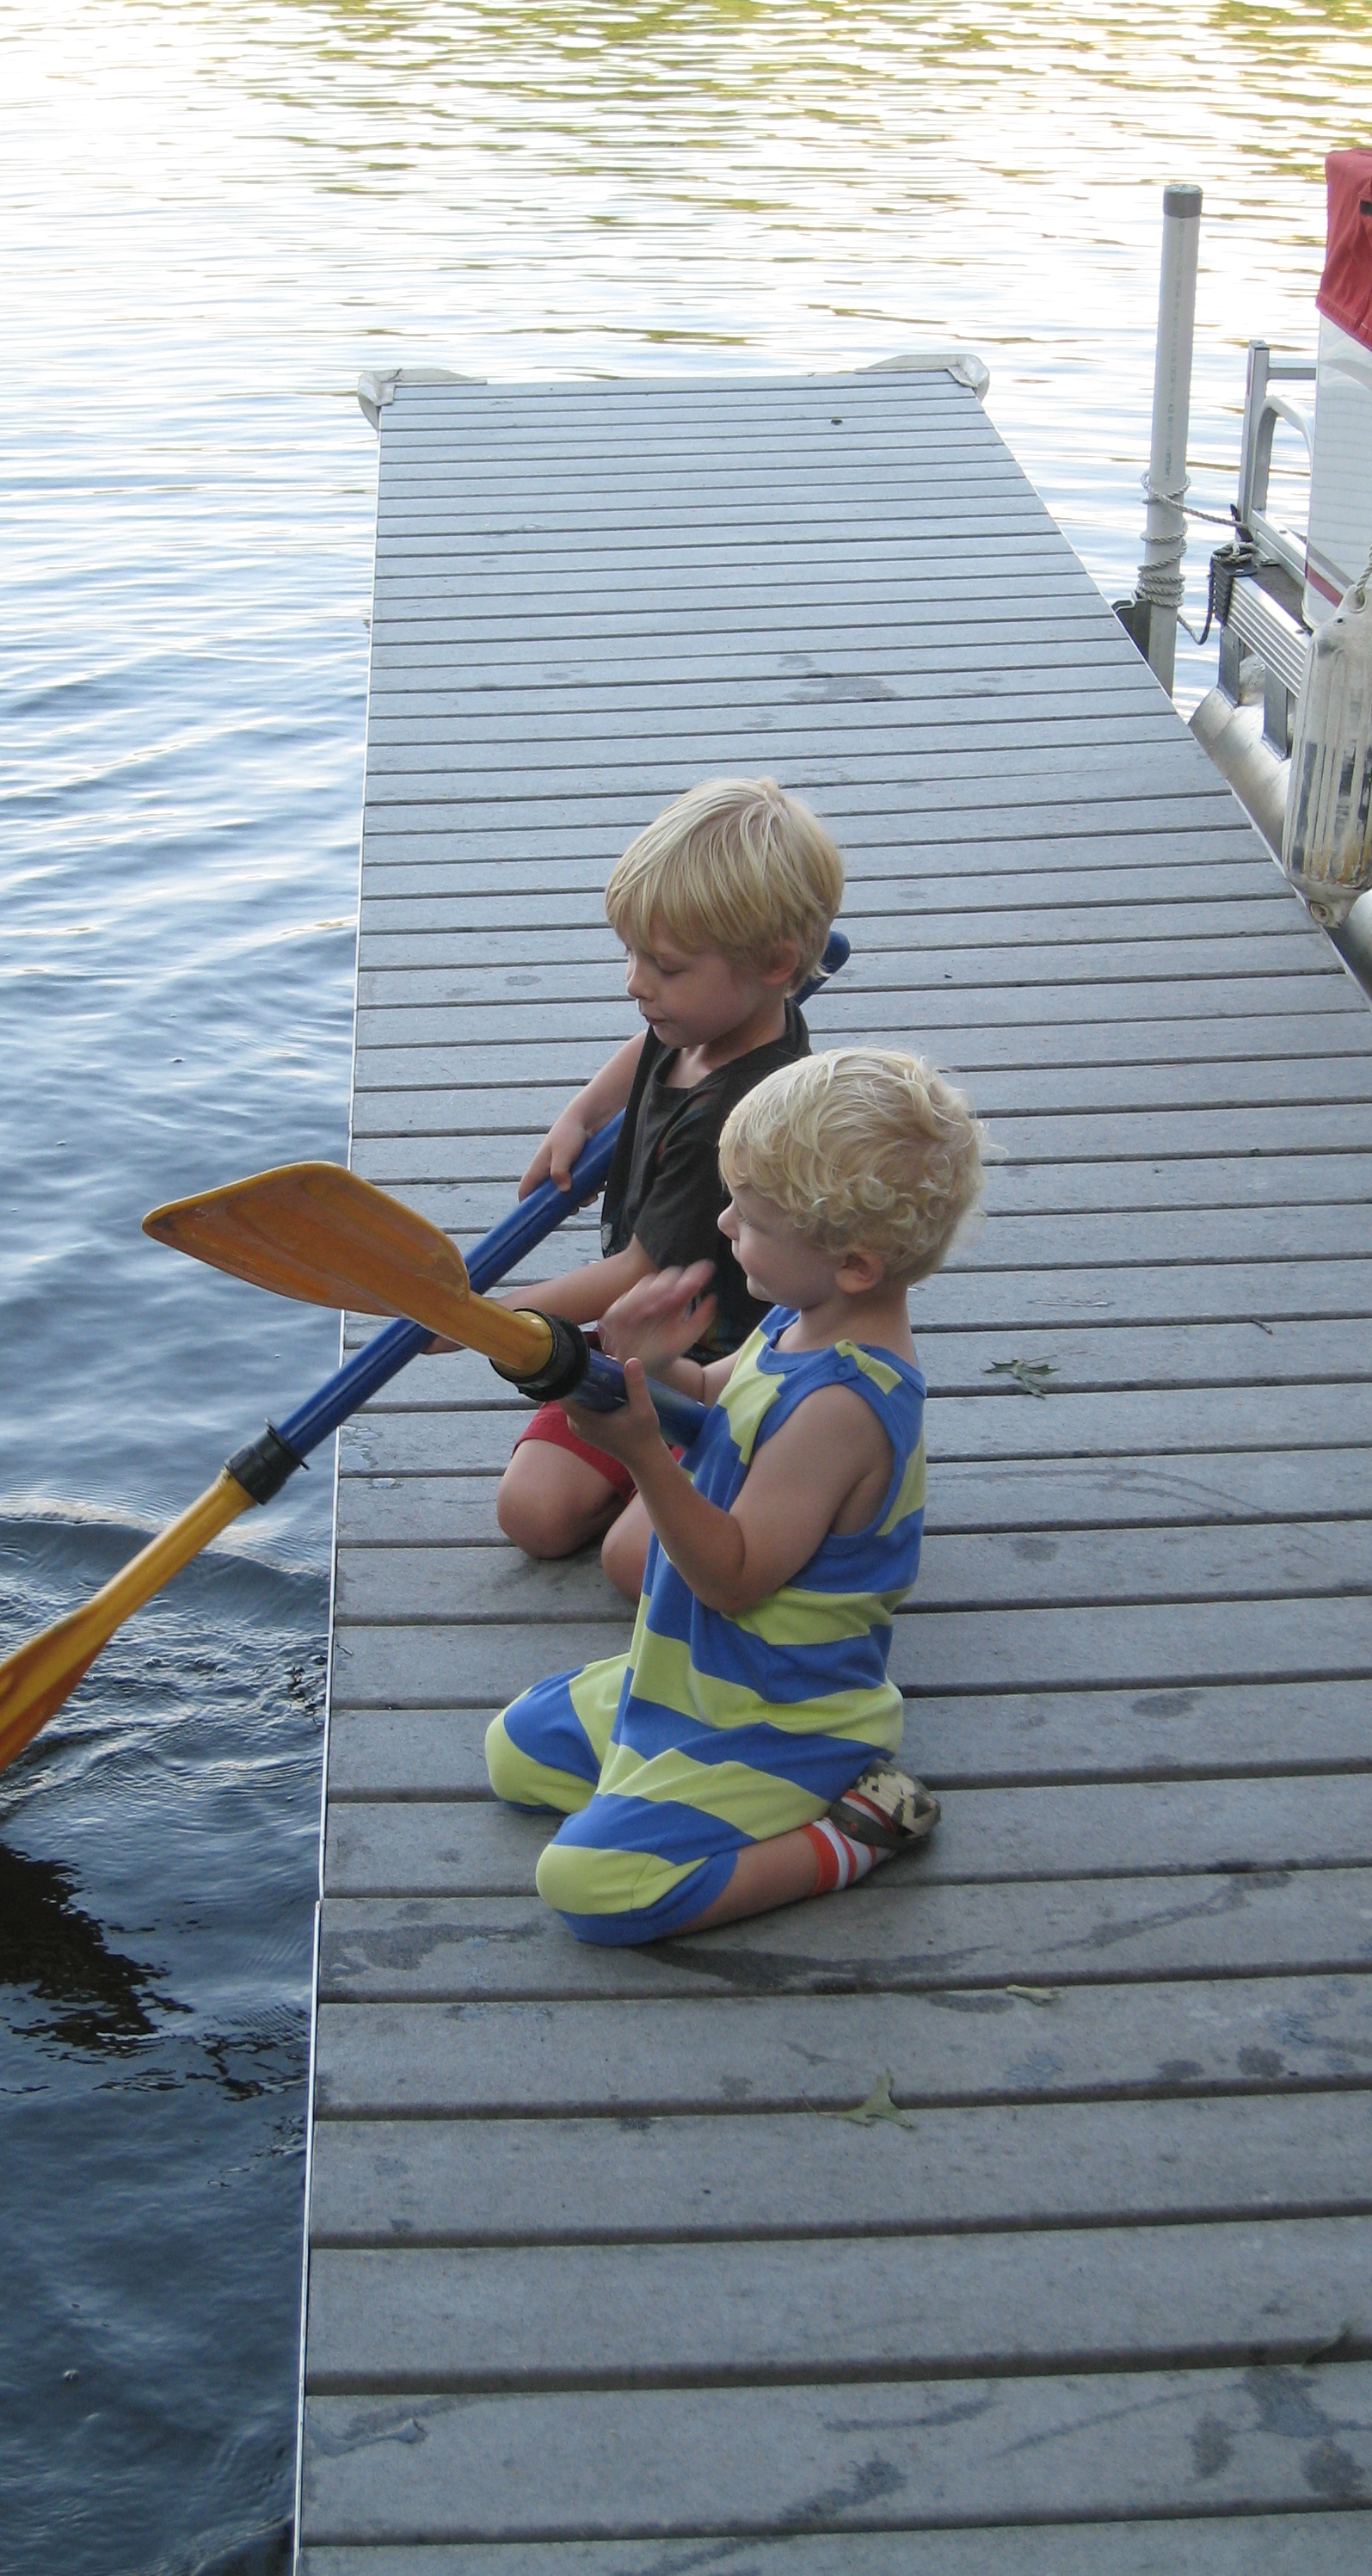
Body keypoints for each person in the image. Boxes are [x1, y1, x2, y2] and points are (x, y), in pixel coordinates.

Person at [485, 1048, 981, 1944]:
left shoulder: (844, 1407)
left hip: (779, 1713)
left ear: (855, 1264)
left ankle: (850, 1835)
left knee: (588, 1887)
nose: (722, 1224)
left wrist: (642, 1454)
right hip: (694, 1673)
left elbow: (733, 1575)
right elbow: (724, 1405)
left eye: (750, 1219)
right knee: (514, 1751)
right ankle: (672, 1800)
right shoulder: (802, 1319)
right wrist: (651, 1366)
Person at [493, 776, 844, 1592]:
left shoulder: (740, 1112)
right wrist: (583, 1113)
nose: (635, 983)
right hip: (638, 1344)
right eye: (633, 955)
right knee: (533, 1515)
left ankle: (772, 1480)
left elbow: (637, 1273)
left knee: (636, 1564)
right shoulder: (706, 1015)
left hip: (722, 1365)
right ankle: (644, 1473)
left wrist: (484, 1320)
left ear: (776, 964)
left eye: (664, 966)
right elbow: (649, 1049)